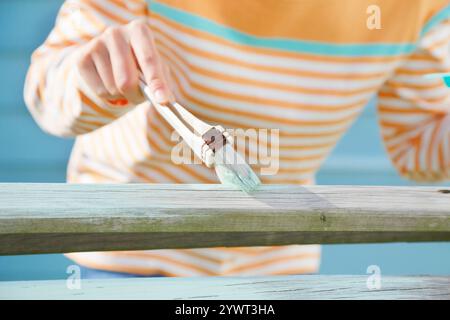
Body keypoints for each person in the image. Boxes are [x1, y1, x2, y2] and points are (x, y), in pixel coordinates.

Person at [24, 0, 450, 278]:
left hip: (278, 272)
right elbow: (45, 95)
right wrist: (93, 79)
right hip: (125, 257)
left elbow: (419, 143)